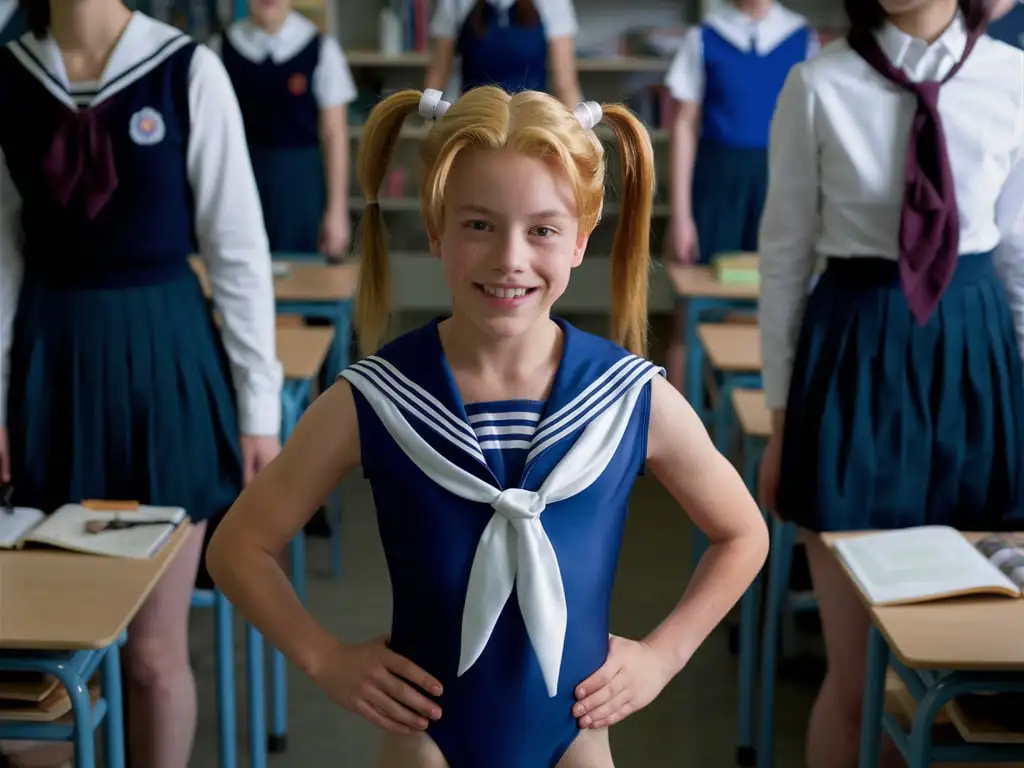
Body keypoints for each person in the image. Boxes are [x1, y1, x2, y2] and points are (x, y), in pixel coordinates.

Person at [206, 85, 769, 767]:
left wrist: (661, 656)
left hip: (578, 746)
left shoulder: (629, 398)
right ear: (436, 229)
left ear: (580, 243)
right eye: (478, 225)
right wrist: (324, 658)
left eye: (542, 230)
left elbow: (742, 533)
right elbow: (238, 546)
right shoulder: (376, 398)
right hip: (425, 747)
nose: (509, 258)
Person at [0, 1, 282, 766]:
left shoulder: (187, 69)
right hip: (50, 362)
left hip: (166, 361)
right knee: (42, 667)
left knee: (153, 656)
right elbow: (0, 259)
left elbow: (237, 250)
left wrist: (260, 410)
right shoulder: (10, 74)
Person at [757, 0, 1024, 765]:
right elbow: (782, 262)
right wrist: (780, 427)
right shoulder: (817, 83)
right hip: (854, 360)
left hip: (975, 359)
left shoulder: (1013, 80)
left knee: (976, 672)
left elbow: (1019, 258)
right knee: (853, 679)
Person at [663, 0, 817, 389]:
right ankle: (679, 435)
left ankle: (752, 430)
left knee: (771, 313)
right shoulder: (704, 37)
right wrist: (681, 216)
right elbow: (683, 126)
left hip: (780, 187)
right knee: (691, 311)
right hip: (715, 189)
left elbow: (814, 131)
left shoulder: (802, 38)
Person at [208, 0, 355, 259]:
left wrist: (337, 211)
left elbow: (335, 135)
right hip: (238, 182)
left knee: (300, 275)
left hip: (299, 187)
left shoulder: (320, 48)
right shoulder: (220, 47)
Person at [425, 0, 582, 107]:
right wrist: (430, 115)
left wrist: (580, 133)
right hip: (473, 120)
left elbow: (565, 85)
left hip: (533, 120)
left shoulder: (553, 3)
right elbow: (438, 76)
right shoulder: (455, 3)